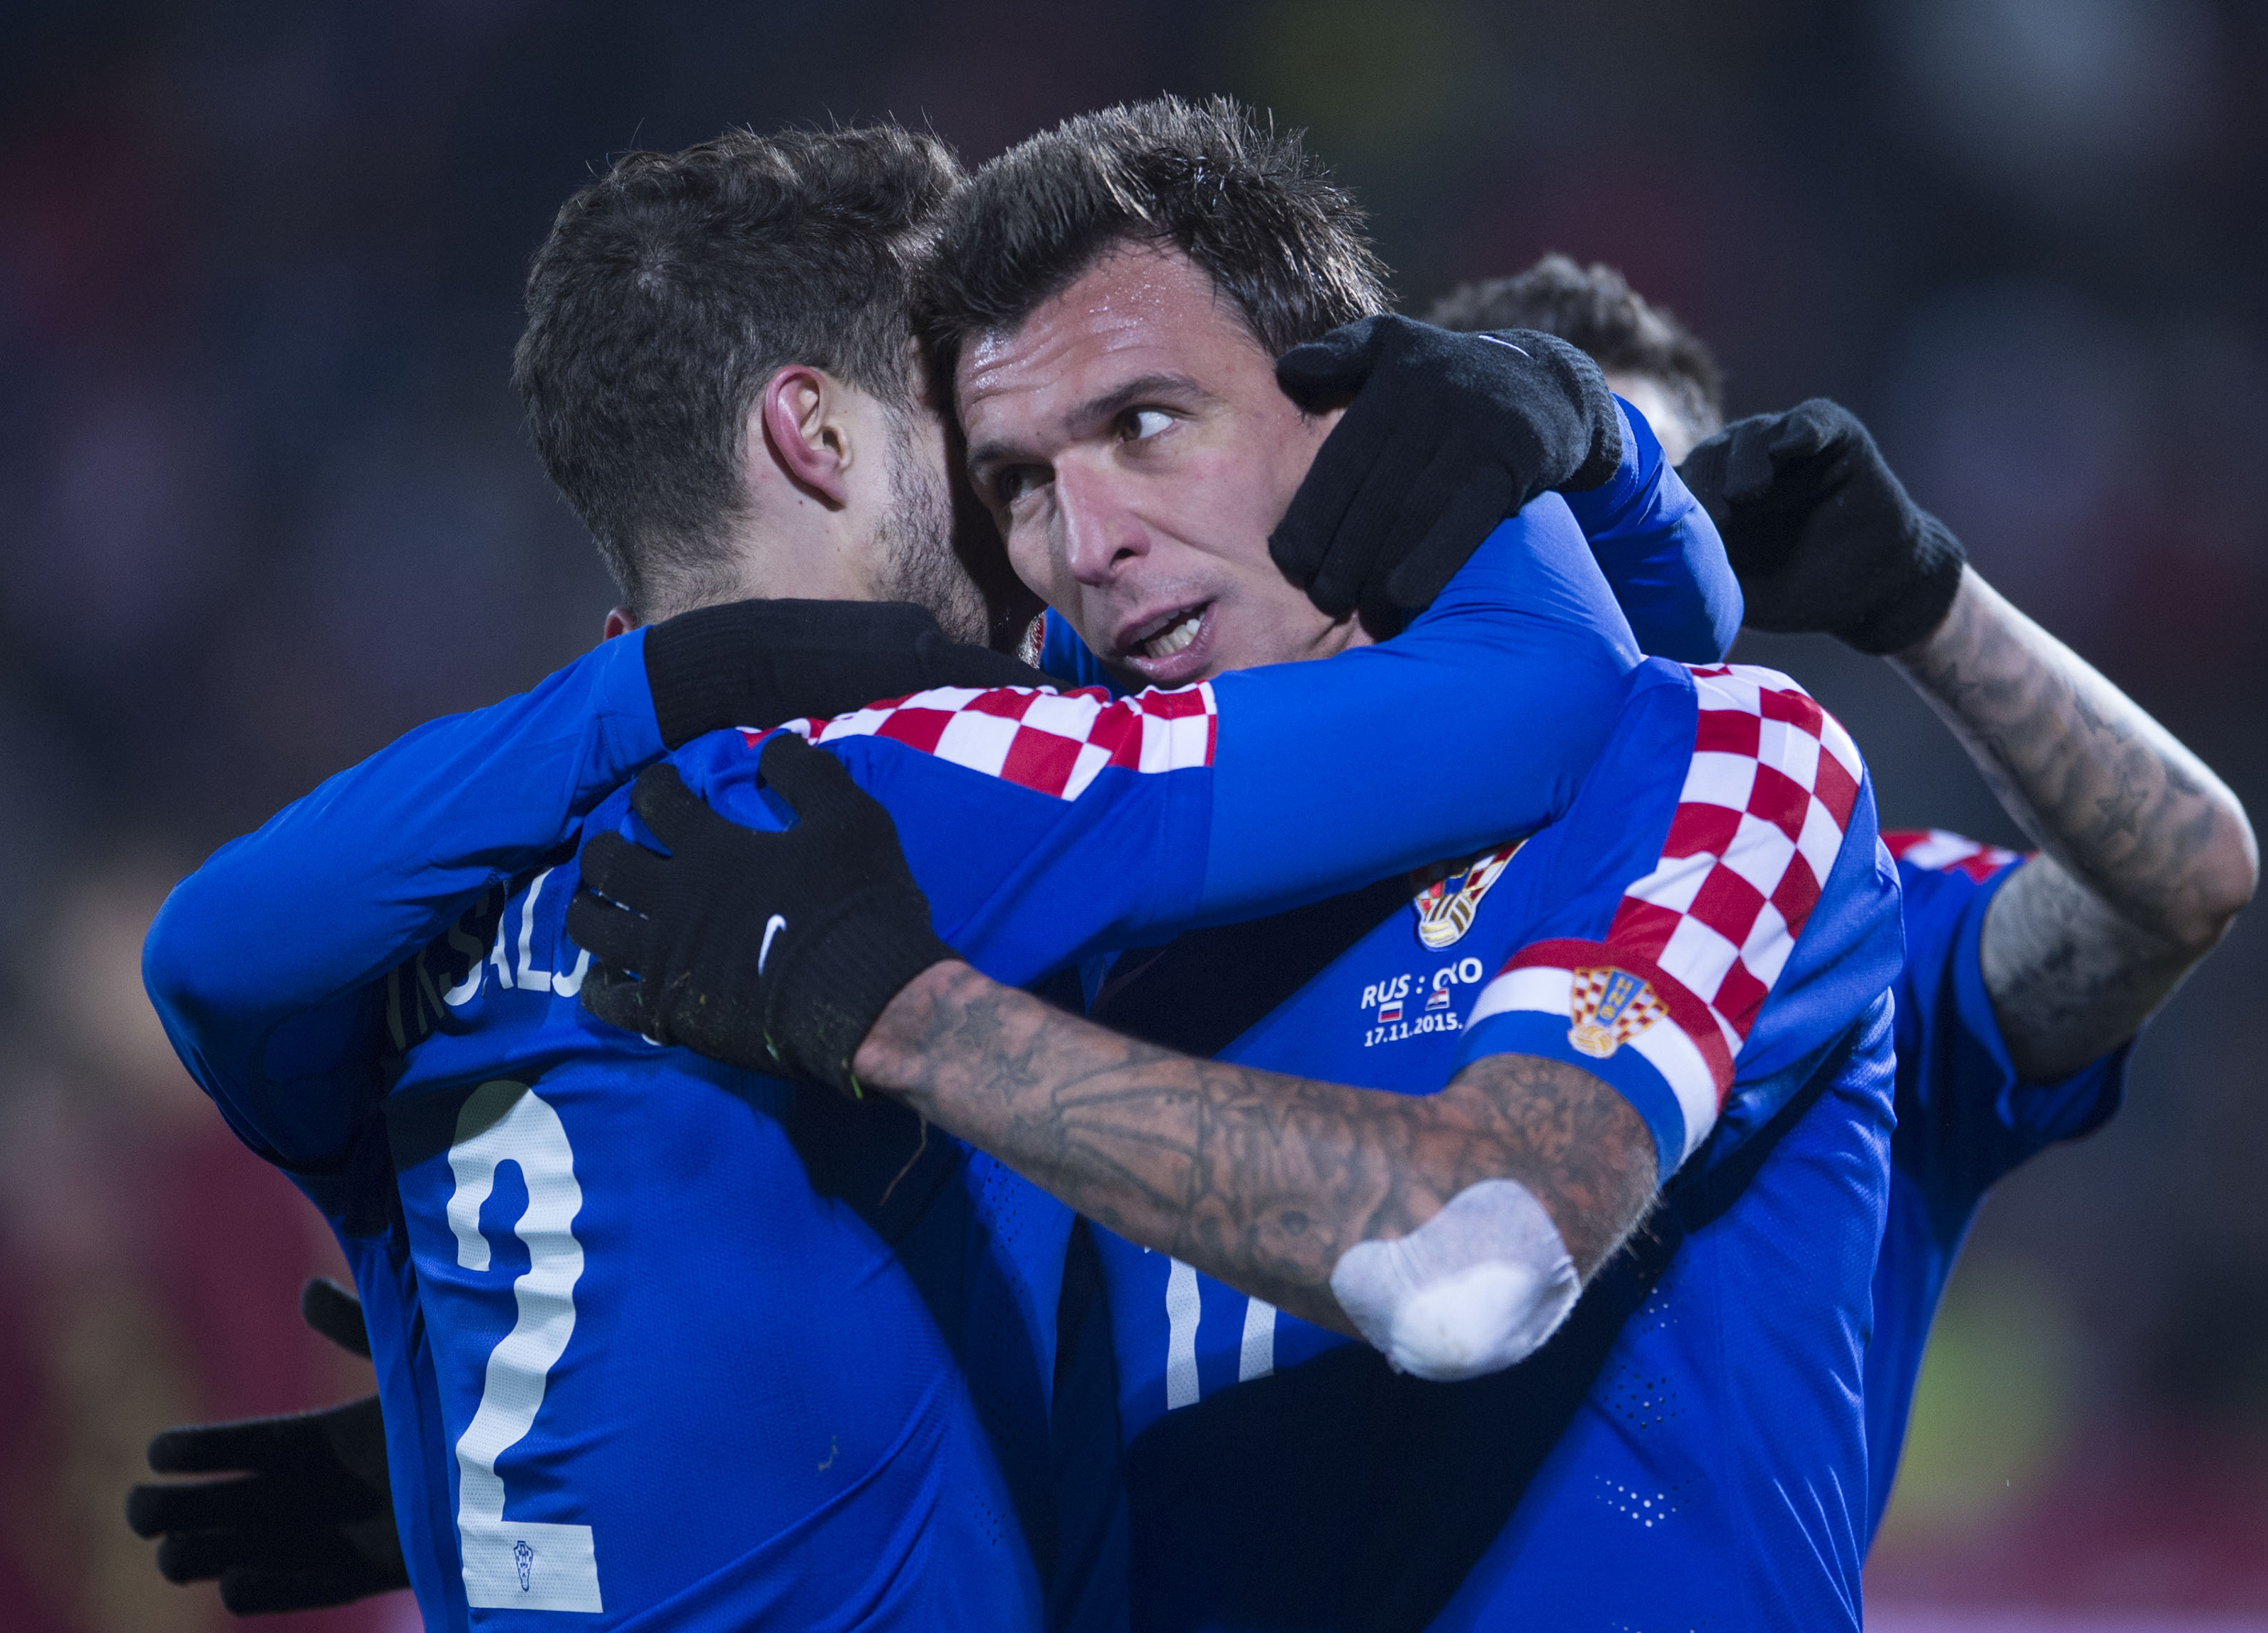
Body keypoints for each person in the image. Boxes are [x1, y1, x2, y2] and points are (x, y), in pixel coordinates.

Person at [134, 111, 1738, 1628]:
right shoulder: (932, 777)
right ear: (818, 434)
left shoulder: (405, 914)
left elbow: (204, 960)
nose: (1046, 541)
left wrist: (539, 1443)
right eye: (986, 456)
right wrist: (1552, 434)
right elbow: (1553, 694)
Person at [566, 98, 1904, 1633]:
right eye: (1016, 484)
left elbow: (1480, 1260)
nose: (1087, 542)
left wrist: (907, 1015)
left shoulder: (1722, 759)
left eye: (1143, 425)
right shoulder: (1091, 838)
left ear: (1347, 411)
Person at [1435, 249, 2260, 1525]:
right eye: (1551, 518)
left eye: (1645, 514)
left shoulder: (1846, 917)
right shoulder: (1290, 891)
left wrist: (1921, 597)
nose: (1601, 580)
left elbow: (2185, 882)